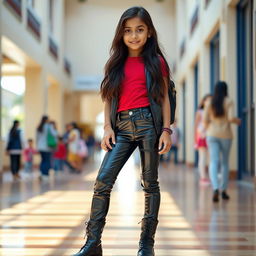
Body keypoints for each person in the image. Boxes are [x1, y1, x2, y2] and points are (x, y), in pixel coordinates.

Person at [73, 6, 172, 256]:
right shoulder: (115, 63)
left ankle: (146, 245)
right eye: (128, 31)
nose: (134, 36)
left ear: (149, 32)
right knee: (103, 181)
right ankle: (93, 244)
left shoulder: (157, 62)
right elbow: (108, 97)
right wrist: (107, 127)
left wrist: (167, 130)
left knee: (150, 185)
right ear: (121, 34)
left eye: (140, 30)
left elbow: (164, 98)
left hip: (150, 124)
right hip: (122, 128)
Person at [203, 81, 241, 202]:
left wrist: (209, 129)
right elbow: (230, 118)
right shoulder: (229, 101)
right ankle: (223, 190)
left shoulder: (209, 102)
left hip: (212, 134)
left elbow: (205, 120)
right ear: (226, 90)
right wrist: (237, 121)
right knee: (224, 162)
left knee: (213, 162)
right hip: (226, 135)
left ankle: (215, 188)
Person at [194, 94, 211, 184]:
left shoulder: (212, 112)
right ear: (203, 102)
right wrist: (195, 139)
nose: (208, 102)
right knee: (203, 157)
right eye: (207, 100)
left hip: (210, 135)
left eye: (210, 100)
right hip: (202, 136)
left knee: (210, 158)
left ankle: (209, 177)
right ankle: (203, 177)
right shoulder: (200, 112)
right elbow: (196, 126)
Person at [36, 115, 57, 180]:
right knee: (47, 161)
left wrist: (37, 146)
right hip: (47, 147)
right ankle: (45, 175)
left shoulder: (39, 127)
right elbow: (54, 134)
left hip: (40, 146)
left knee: (43, 160)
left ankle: (42, 174)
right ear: (47, 120)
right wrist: (54, 128)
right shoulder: (49, 126)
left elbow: (37, 138)